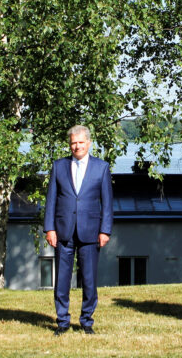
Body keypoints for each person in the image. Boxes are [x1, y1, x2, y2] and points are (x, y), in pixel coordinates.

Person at [43, 125, 114, 335]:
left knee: (89, 281)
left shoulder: (101, 168)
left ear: (89, 143)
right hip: (63, 231)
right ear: (69, 144)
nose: (77, 146)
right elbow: (51, 200)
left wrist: (105, 231)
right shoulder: (59, 166)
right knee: (62, 280)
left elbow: (107, 203)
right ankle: (62, 322)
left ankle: (86, 321)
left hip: (91, 232)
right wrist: (49, 228)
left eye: (81, 142)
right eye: (73, 142)